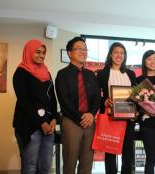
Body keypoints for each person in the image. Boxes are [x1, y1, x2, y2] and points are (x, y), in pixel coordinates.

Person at [55, 37, 100, 174]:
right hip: (71, 121)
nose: (83, 51)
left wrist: (91, 114)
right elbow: (64, 100)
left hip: (90, 121)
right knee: (70, 161)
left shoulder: (91, 74)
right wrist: (81, 117)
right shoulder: (62, 74)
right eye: (78, 48)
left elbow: (97, 98)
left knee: (87, 162)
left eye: (85, 49)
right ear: (70, 53)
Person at [13, 39, 58, 174]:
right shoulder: (21, 73)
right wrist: (41, 123)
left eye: (43, 53)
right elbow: (24, 101)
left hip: (48, 125)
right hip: (29, 126)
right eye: (38, 52)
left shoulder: (46, 72)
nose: (41, 55)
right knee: (30, 166)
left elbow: (53, 97)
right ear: (29, 52)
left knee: (45, 166)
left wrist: (54, 118)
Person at [97, 42, 137, 174]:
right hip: (110, 117)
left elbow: (135, 95)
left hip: (128, 119)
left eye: (122, 53)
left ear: (125, 56)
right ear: (110, 54)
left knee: (128, 153)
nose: (119, 55)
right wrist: (105, 101)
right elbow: (97, 96)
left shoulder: (131, 74)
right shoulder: (103, 74)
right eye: (116, 52)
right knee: (110, 152)